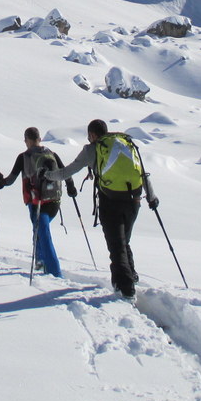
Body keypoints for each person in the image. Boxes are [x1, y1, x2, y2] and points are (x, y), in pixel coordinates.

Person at [45, 119, 157, 300]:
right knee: (124, 240)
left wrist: (47, 175)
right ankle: (131, 275)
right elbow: (142, 172)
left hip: (110, 201)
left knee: (116, 246)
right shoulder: (126, 144)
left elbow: (67, 171)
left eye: (89, 135)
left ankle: (126, 289)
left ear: (93, 135)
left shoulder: (91, 150)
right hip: (133, 199)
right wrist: (151, 197)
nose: (88, 139)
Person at [0, 127, 76, 277]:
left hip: (36, 200)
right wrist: (71, 188)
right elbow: (65, 173)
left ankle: (54, 271)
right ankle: (40, 260)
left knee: (42, 231)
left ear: (27, 140)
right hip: (54, 200)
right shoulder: (52, 154)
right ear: (39, 139)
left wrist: (0, 182)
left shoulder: (23, 157)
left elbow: (10, 180)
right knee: (40, 230)